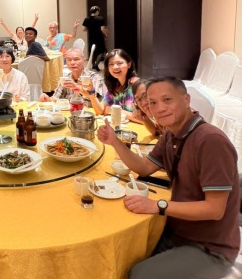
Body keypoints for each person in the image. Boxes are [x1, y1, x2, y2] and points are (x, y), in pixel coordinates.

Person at [97, 77, 240, 279]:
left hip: (210, 248)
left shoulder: (211, 141)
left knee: (138, 274)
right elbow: (145, 168)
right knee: (121, 256)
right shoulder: (171, 134)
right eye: (152, 103)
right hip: (177, 230)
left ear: (186, 99)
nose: (160, 108)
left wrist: (158, 205)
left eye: (167, 100)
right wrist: (114, 141)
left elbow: (214, 209)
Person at [82, 48, 138, 119]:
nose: (115, 67)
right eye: (111, 64)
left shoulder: (137, 86)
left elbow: (146, 118)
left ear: (129, 64)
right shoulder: (115, 86)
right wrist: (91, 93)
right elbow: (100, 111)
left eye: (119, 63)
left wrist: (113, 110)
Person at [38, 47, 104, 105]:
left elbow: (97, 99)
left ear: (83, 61)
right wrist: (47, 99)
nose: (72, 63)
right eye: (69, 60)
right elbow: (55, 98)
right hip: (69, 111)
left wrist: (75, 86)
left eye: (76, 59)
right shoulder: (65, 78)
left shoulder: (93, 77)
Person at [82, 6, 108, 71]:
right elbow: (102, 29)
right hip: (99, 37)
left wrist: (90, 29)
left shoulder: (86, 19)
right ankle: (96, 64)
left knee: (93, 51)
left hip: (91, 37)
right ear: (97, 11)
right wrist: (106, 35)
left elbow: (83, 29)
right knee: (101, 51)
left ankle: (93, 65)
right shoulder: (100, 18)